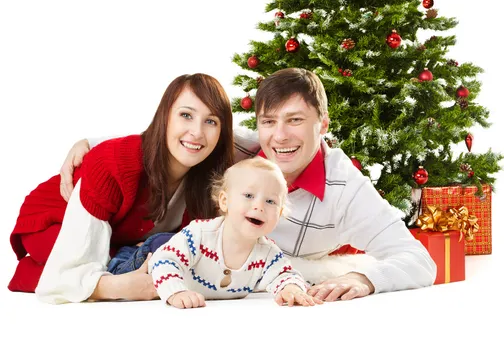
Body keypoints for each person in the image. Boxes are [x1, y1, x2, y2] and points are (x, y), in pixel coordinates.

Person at [56, 68, 437, 301]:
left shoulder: (345, 188)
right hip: (156, 254)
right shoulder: (244, 150)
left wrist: (362, 278)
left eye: (295, 120)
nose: (280, 136)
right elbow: (177, 135)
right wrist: (90, 143)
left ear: (322, 125)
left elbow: (419, 261)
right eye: (269, 121)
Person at [8, 73, 235, 303]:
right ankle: (32, 274)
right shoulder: (114, 162)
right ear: (165, 117)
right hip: (54, 218)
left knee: (154, 254)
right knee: (102, 263)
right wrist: (115, 287)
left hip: (117, 236)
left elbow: (265, 139)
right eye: (186, 115)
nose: (197, 132)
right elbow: (71, 269)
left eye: (211, 121)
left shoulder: (214, 174)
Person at [150, 157, 321, 308]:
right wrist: (175, 292)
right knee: (139, 271)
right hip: (151, 251)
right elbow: (164, 260)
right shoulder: (199, 234)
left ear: (280, 212)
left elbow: (285, 274)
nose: (259, 206)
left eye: (270, 201)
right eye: (248, 195)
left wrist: (291, 288)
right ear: (225, 201)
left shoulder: (267, 253)